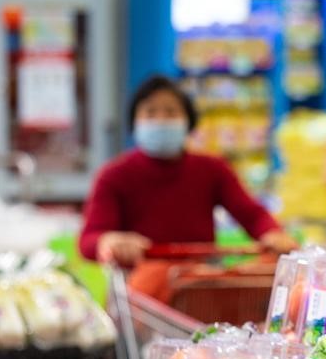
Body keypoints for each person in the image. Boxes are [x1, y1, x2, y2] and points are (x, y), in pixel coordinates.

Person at [78, 75, 297, 298]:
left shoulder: (212, 169)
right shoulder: (114, 175)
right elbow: (88, 240)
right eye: (150, 113)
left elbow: (252, 214)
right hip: (140, 296)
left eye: (171, 112)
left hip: (200, 287)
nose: (161, 120)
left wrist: (273, 234)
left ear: (188, 121)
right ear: (134, 123)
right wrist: (109, 241)